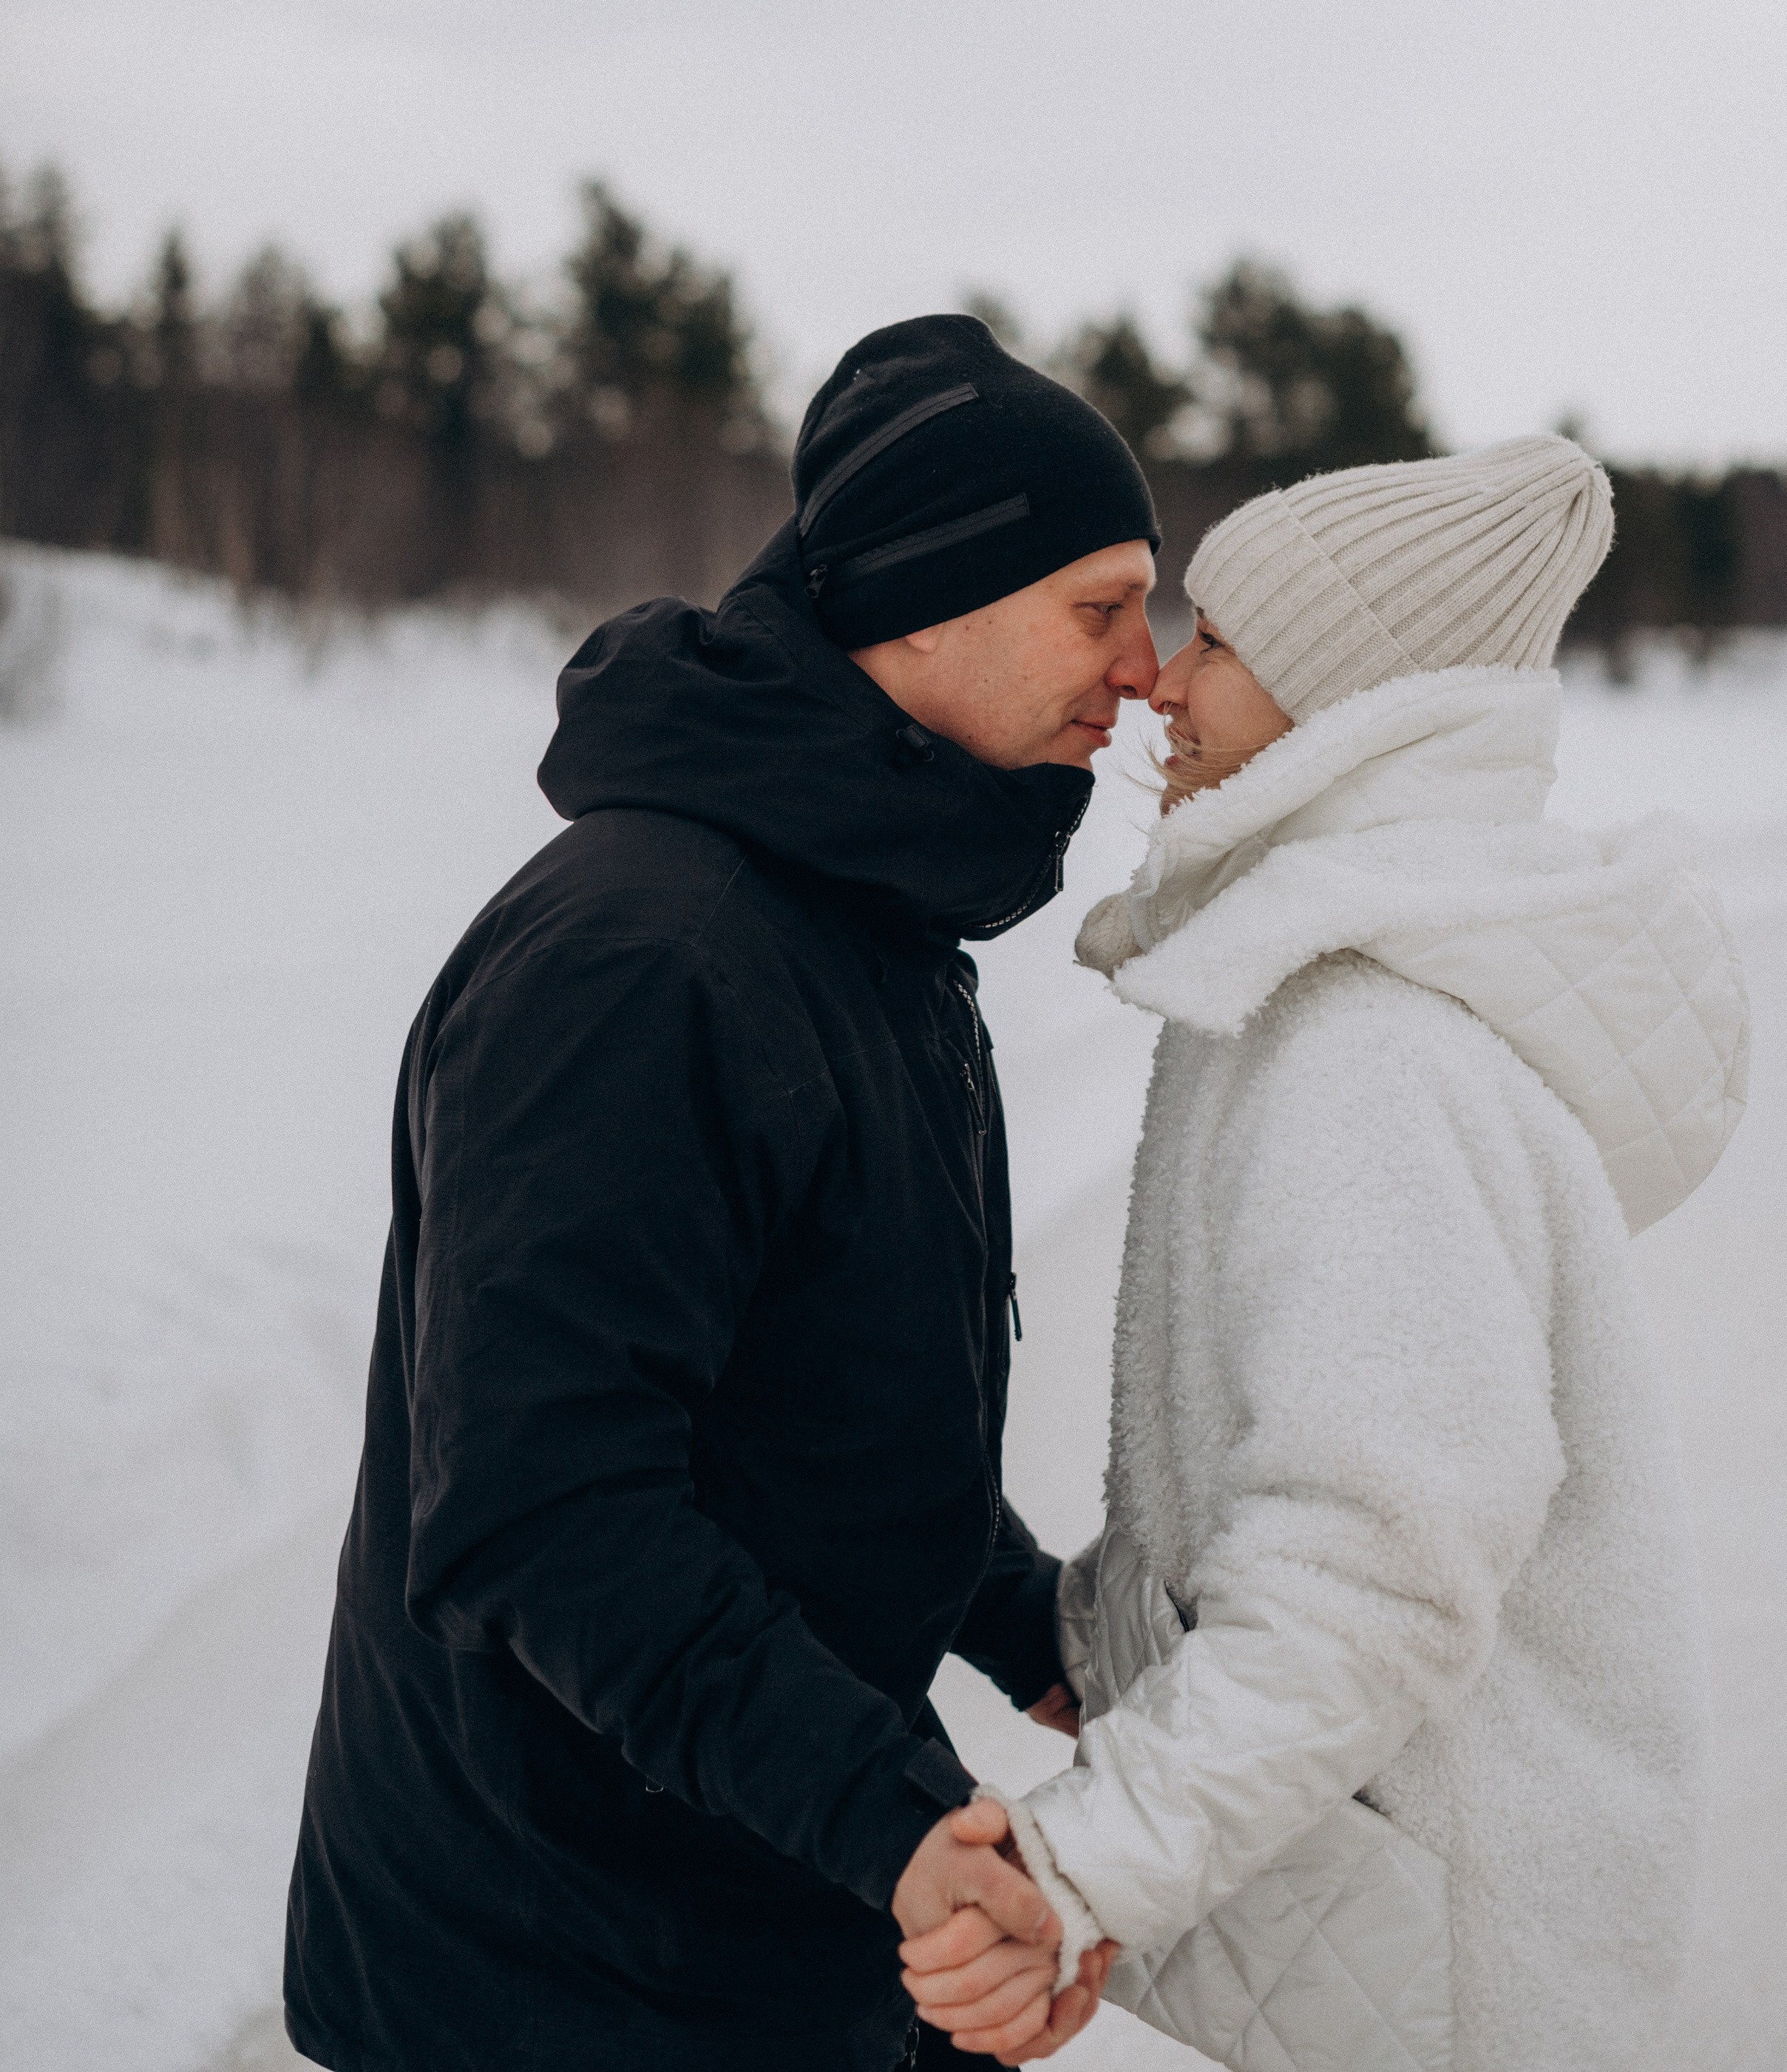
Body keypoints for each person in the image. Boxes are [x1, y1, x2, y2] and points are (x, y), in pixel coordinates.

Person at [283, 315, 1152, 2072]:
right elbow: (547, 1508)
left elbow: (813, 1420)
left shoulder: (867, 919)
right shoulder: (641, 963)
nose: (1145, 669)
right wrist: (894, 1819)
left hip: (753, 1916)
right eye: (1100, 607)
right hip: (554, 1975)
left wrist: (1031, 1628)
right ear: (927, 602)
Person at [903, 439, 1751, 2072]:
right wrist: (1081, 1636)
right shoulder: (1317, 983)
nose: (1160, 683)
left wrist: (1083, 1864)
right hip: (1381, 1916)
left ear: (1352, 705)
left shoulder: (1368, 1052)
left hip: (1448, 1961)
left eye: (1218, 643)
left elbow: (1372, 1569)